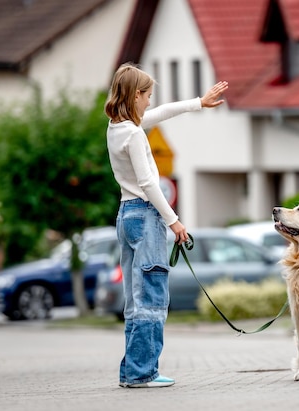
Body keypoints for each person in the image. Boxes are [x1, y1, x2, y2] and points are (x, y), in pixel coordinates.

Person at [104, 62, 228, 388]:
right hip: (145, 216)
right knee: (152, 298)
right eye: (146, 96)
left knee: (134, 300)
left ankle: (132, 371)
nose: (149, 102)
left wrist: (199, 102)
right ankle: (143, 373)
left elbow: (160, 113)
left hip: (125, 215)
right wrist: (174, 222)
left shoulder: (116, 128)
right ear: (134, 96)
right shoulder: (133, 135)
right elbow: (148, 183)